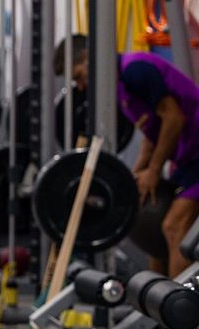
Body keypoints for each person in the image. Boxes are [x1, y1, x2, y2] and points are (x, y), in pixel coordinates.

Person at [56, 34, 199, 277]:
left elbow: (174, 119)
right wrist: (136, 173)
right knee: (155, 231)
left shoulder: (135, 70)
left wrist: (154, 170)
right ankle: (159, 299)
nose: (79, 86)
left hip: (196, 157)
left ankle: (181, 300)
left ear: (88, 58)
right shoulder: (120, 86)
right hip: (188, 161)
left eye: (78, 76)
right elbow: (152, 132)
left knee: (174, 226)